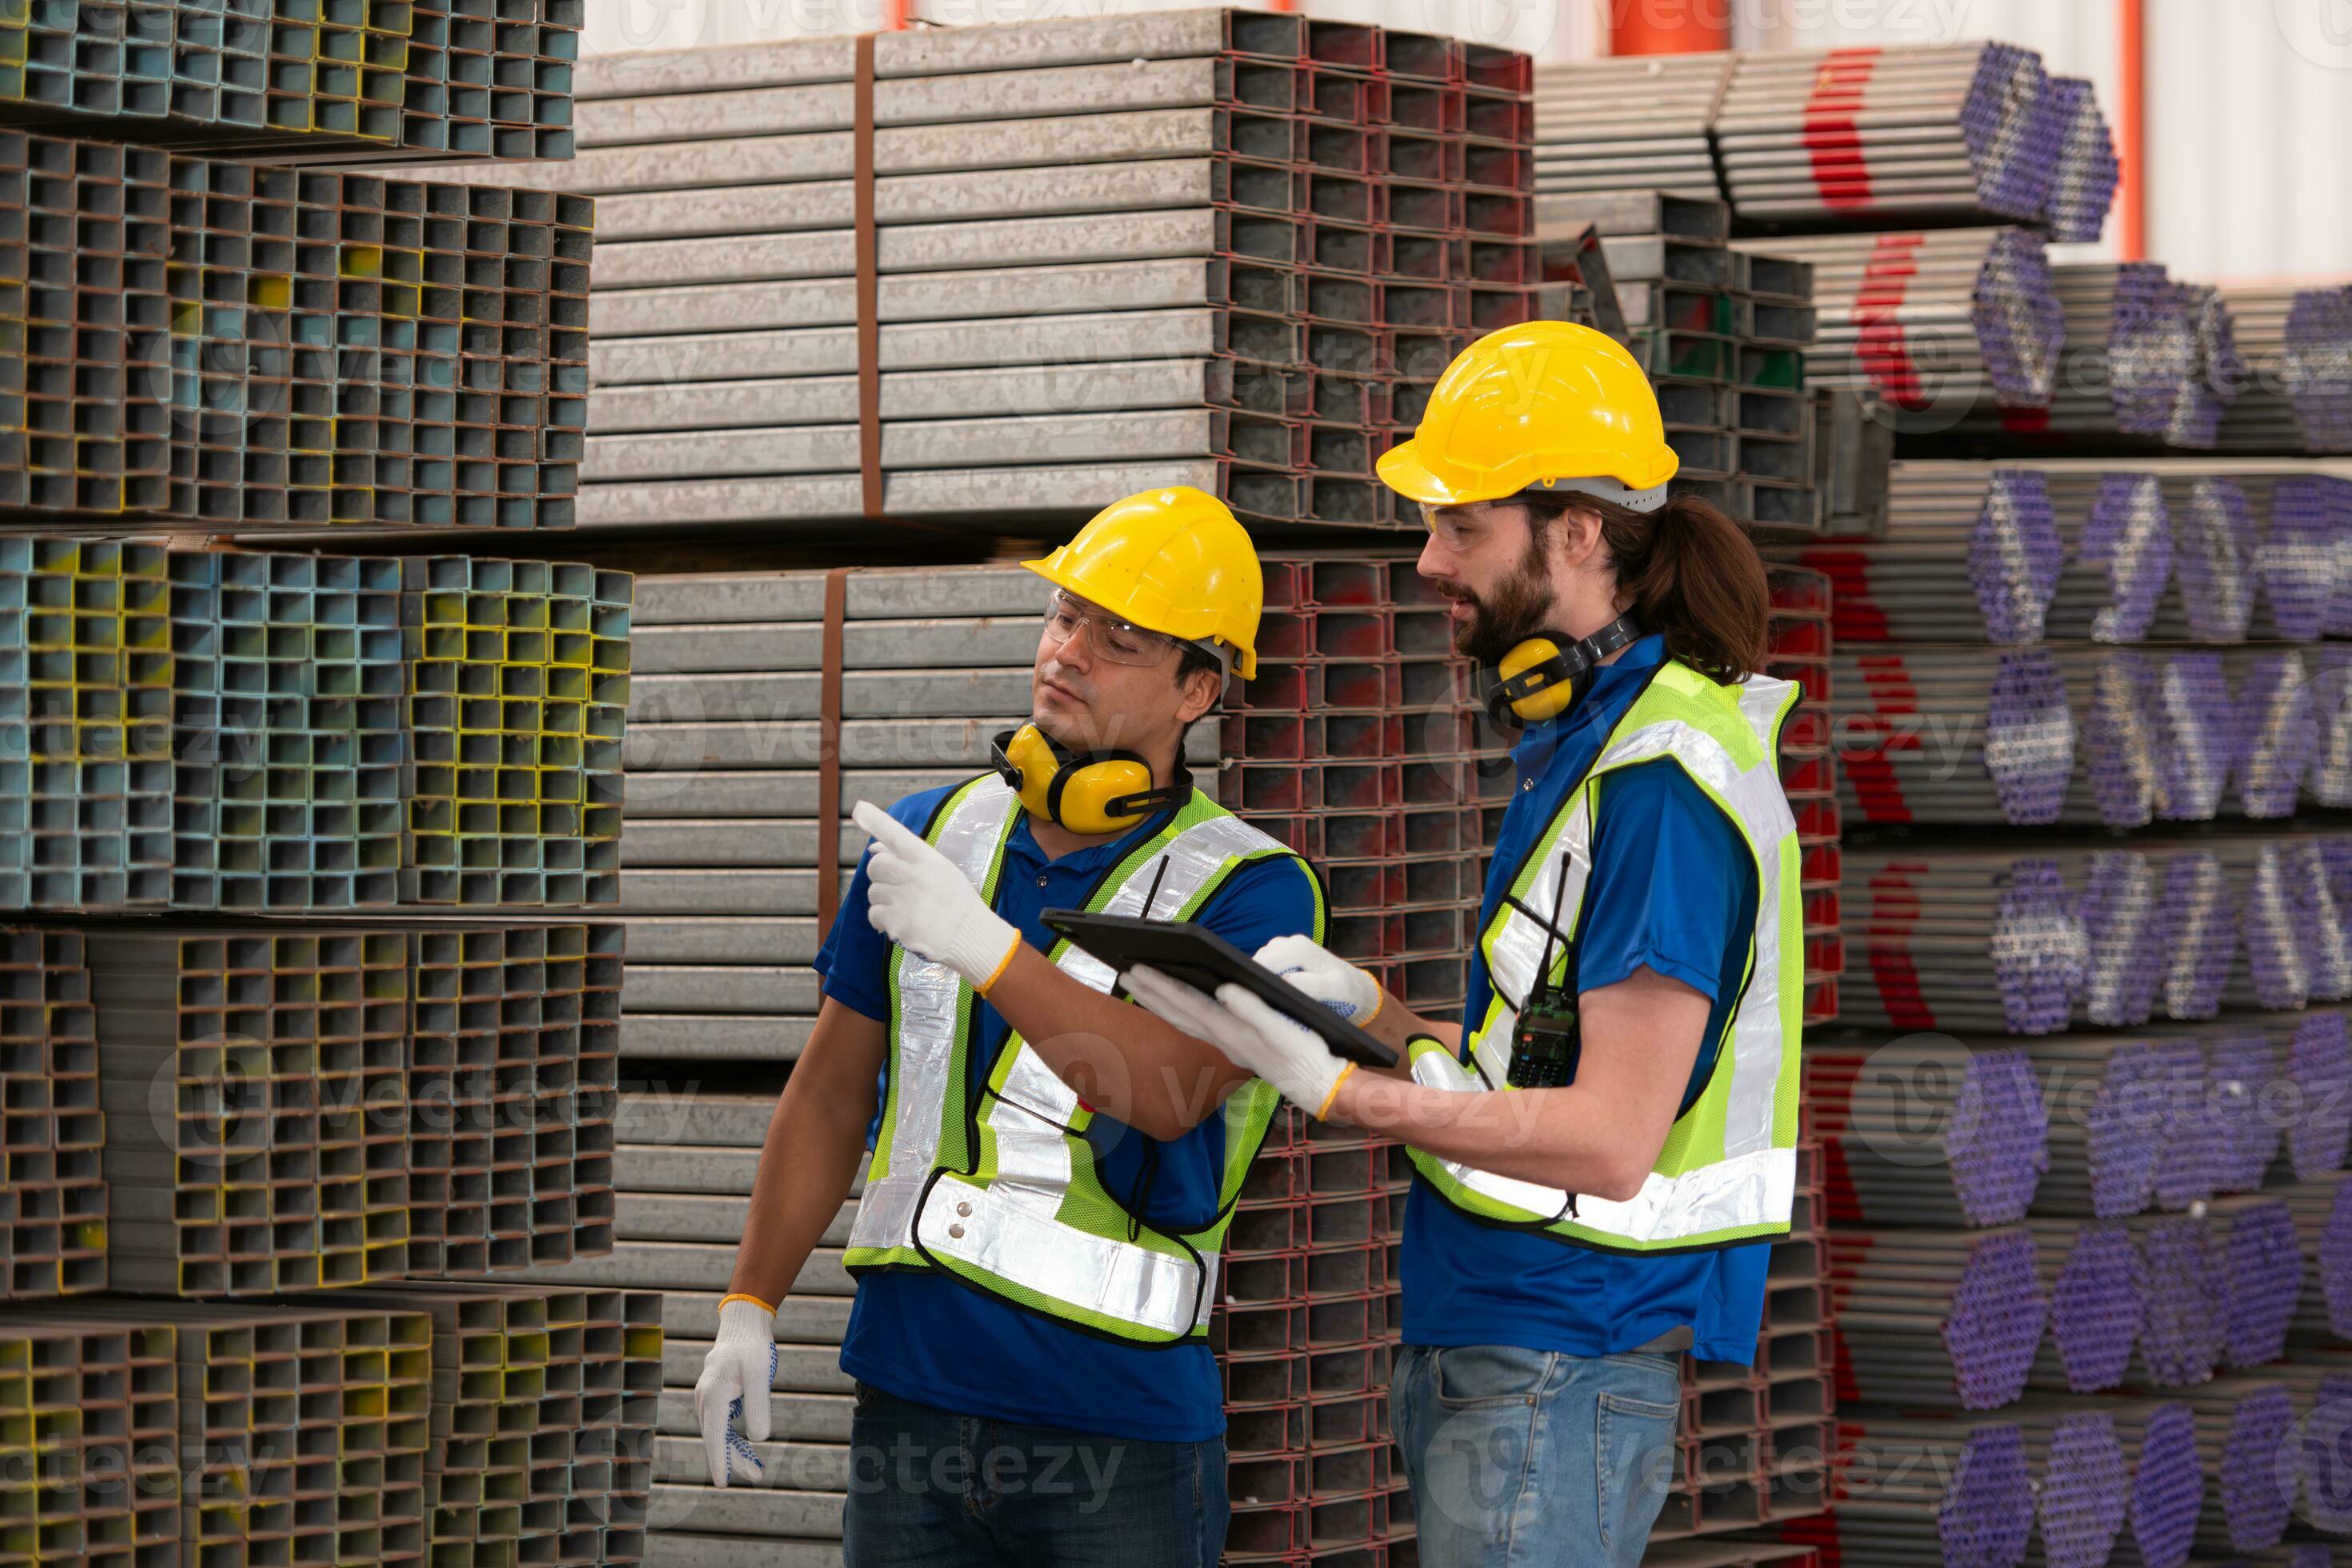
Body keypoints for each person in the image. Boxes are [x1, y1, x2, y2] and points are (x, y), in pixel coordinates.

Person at [1126, 321, 1802, 1568]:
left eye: (1462, 527)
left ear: (1578, 531)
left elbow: (1607, 1137)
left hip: (1562, 1352)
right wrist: (1373, 1013)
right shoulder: (1597, 747)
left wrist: (1351, 1095)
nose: (1430, 561)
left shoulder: (1659, 786)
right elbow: (1537, 1073)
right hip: (1503, 1334)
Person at [692, 486, 1326, 1568]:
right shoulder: (937, 832)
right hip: (909, 1405)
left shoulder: (1256, 889)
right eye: (1066, 615)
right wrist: (748, 1302)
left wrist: (986, 950)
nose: (1069, 651)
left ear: (1199, 689)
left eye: (1120, 637)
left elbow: (1170, 1096)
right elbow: (833, 1091)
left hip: (1118, 1430)